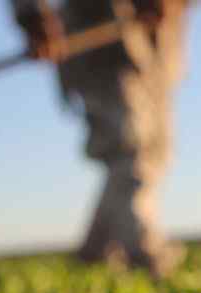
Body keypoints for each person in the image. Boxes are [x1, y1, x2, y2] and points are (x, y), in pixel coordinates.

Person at [12, 0, 186, 276]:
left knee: (154, 152)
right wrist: (31, 13)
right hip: (101, 38)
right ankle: (142, 250)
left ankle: (94, 251)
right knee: (132, 148)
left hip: (154, 46)